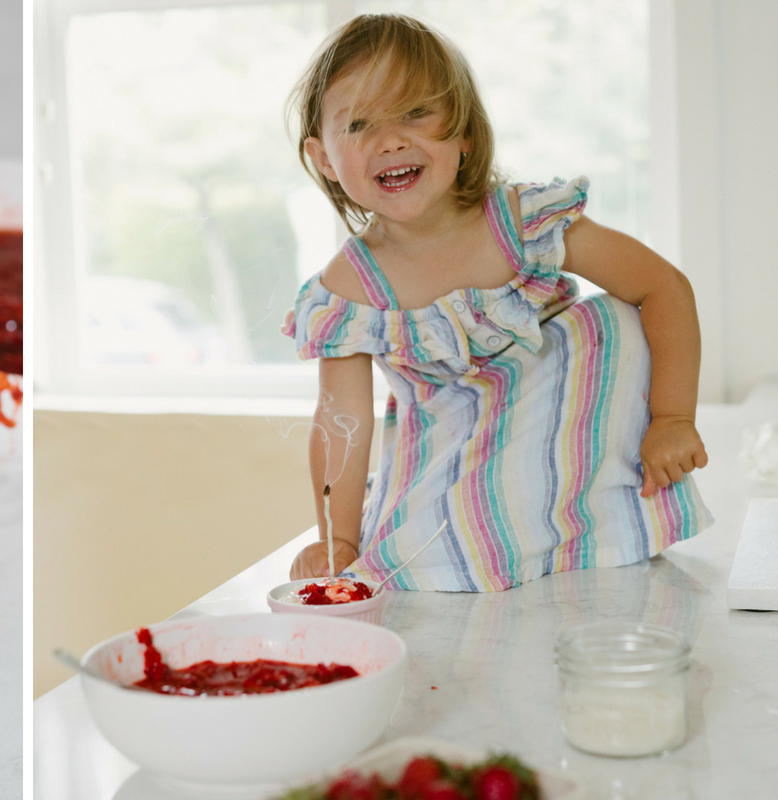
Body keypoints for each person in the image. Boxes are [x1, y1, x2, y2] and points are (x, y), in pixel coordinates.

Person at [281, 13, 712, 591]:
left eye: (415, 112)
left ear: (464, 134)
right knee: (408, 565)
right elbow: (343, 424)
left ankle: (590, 530)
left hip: (564, 451)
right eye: (359, 123)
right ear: (326, 159)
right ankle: (482, 548)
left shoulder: (524, 222)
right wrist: (337, 537)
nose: (391, 139)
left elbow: (665, 286)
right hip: (453, 470)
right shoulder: (348, 288)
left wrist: (673, 418)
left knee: (614, 319)